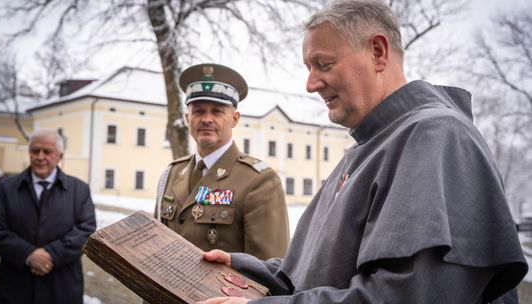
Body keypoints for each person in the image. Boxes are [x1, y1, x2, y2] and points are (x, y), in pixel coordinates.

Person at [198, 0, 528, 303]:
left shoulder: (437, 137)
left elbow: (408, 296)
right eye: (308, 68)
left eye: (323, 64)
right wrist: (247, 268)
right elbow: (317, 275)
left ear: (378, 52)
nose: (310, 84)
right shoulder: (367, 148)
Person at [154, 63, 289, 260]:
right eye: (198, 111)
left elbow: (269, 270)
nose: (207, 119)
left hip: (225, 292)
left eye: (217, 111)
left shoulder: (259, 181)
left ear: (234, 119)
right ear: (186, 118)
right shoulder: (172, 173)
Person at [0, 129, 96, 304]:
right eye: (35, 151)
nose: (40, 157)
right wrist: (28, 255)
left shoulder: (79, 190)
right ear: (29, 153)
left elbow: (86, 230)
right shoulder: (7, 188)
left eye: (47, 151)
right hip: (15, 287)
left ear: (60, 156)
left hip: (62, 286)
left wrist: (51, 254)